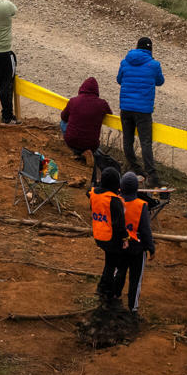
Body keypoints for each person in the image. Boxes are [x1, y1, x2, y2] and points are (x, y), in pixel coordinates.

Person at [115, 36, 165, 184]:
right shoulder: (154, 64)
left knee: (127, 140)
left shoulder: (125, 62)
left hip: (126, 108)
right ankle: (152, 176)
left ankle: (134, 169)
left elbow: (119, 80)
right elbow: (160, 81)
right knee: (145, 143)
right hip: (143, 110)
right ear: (150, 50)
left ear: (136, 47)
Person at [114, 170, 155, 311]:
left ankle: (114, 296)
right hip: (137, 248)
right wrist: (151, 248)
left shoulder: (116, 201)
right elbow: (145, 230)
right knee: (135, 279)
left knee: (119, 272)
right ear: (136, 188)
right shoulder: (141, 205)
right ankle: (133, 307)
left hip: (120, 244)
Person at [61, 77, 112, 162]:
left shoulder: (73, 101)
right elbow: (110, 113)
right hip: (91, 145)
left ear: (82, 88)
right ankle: (87, 153)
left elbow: (63, 117)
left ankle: (77, 153)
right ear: (96, 91)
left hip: (71, 142)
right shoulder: (102, 104)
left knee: (63, 122)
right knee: (93, 144)